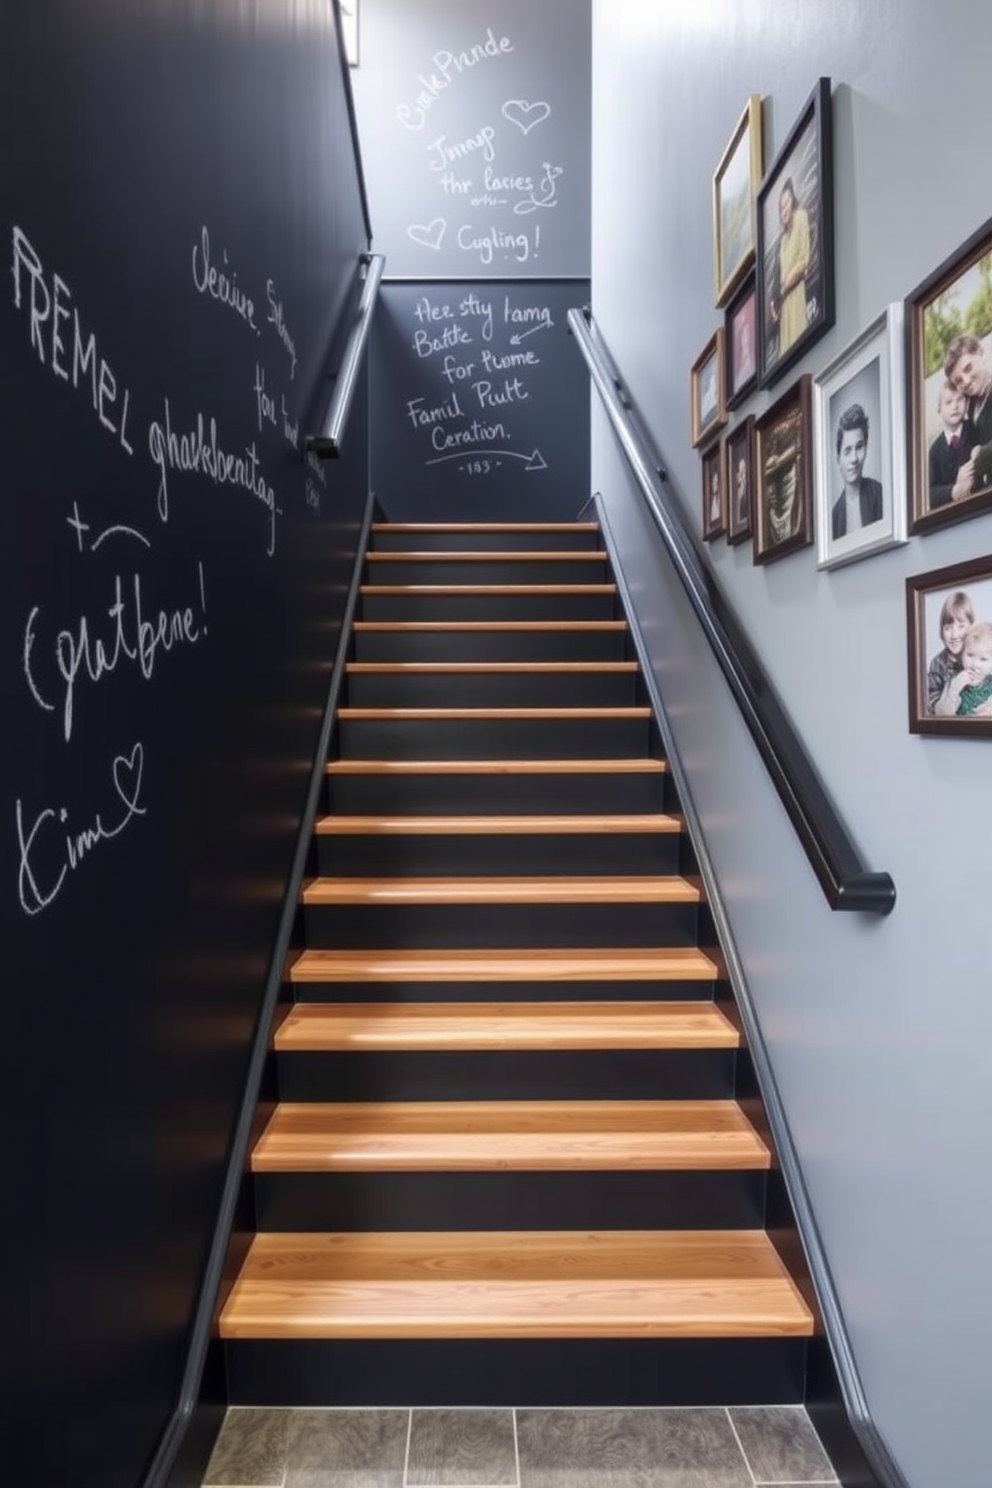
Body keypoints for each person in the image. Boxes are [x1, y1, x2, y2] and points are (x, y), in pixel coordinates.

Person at [944, 334, 992, 492]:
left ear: (981, 353)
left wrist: (979, 455)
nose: (965, 381)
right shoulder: (971, 405)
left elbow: (977, 453)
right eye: (958, 380)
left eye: (968, 368)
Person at [770, 177, 810, 359]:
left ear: (793, 201)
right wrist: (775, 301)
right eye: (781, 207)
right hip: (784, 308)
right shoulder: (782, 240)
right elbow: (779, 277)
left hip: (796, 297)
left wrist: (784, 286)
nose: (784, 209)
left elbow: (803, 261)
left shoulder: (801, 217)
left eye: (786, 203)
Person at [830, 403, 883, 539]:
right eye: (847, 451)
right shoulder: (834, 516)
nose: (854, 458)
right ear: (838, 459)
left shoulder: (879, 493)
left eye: (859, 447)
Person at [928, 379, 979, 509]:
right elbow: (932, 492)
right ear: (939, 409)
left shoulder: (973, 430)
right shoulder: (935, 450)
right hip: (953, 512)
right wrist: (953, 490)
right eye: (948, 402)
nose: (955, 406)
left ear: (967, 403)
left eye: (960, 399)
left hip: (977, 502)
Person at [928, 590, 974, 713]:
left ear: (971, 626)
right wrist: (954, 686)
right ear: (941, 630)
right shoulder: (937, 663)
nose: (954, 635)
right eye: (948, 628)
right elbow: (936, 709)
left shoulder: (981, 656)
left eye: (961, 626)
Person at [934, 618, 992, 717]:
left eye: (983, 659)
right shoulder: (953, 681)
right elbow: (941, 714)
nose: (975, 664)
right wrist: (954, 688)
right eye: (970, 655)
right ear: (962, 654)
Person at [733, 451, 749, 530]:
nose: (742, 476)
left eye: (744, 471)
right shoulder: (737, 496)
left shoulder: (749, 492)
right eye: (740, 472)